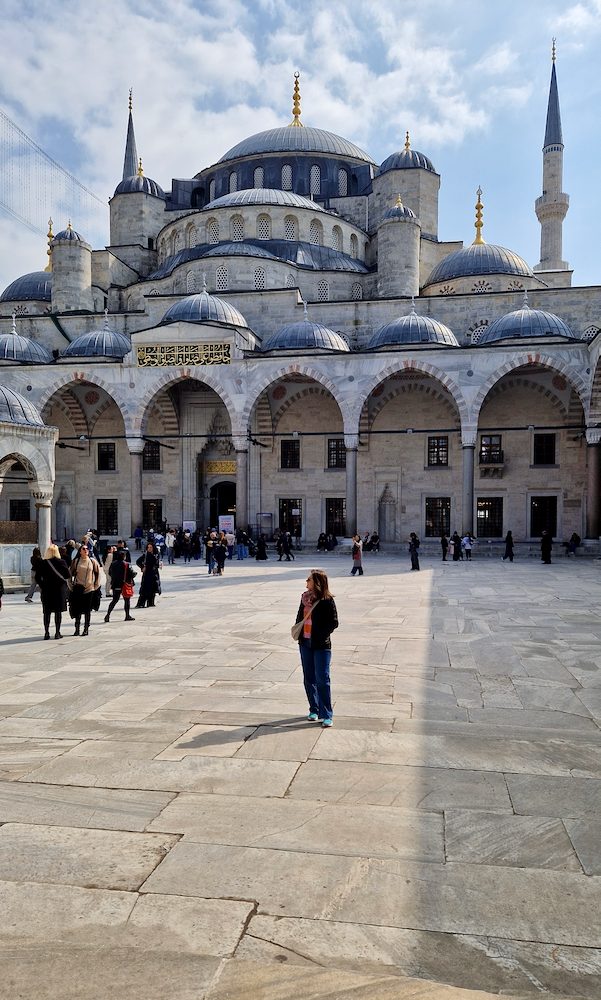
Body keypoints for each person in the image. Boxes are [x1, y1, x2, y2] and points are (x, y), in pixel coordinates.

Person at [295, 569, 338, 728]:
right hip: (305, 644)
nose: (306, 582)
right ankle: (314, 708)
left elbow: (334, 622)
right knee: (309, 678)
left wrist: (320, 635)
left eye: (309, 580)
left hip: (321, 645)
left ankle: (327, 713)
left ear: (317, 582)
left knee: (323, 679)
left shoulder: (327, 600)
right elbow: (300, 617)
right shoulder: (304, 598)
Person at [35, 544, 70, 639]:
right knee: (58, 612)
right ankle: (57, 632)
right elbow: (67, 575)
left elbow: (37, 577)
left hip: (47, 590)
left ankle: (46, 632)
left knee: (47, 612)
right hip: (59, 590)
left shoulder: (42, 563)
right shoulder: (61, 562)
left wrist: (43, 585)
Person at [69, 544, 100, 636]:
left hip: (89, 589)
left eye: (87, 549)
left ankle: (86, 628)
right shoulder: (76, 561)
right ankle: (77, 628)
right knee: (77, 610)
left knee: (87, 610)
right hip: (78, 588)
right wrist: (71, 586)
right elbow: (69, 574)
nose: (86, 550)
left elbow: (98, 573)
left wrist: (96, 586)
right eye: (84, 549)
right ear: (80, 551)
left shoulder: (92, 561)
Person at [105, 550, 136, 622]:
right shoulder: (126, 564)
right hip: (124, 584)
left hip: (115, 584)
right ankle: (127, 615)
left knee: (114, 600)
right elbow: (132, 573)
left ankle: (108, 615)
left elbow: (110, 573)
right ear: (124, 557)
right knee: (127, 600)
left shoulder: (113, 564)